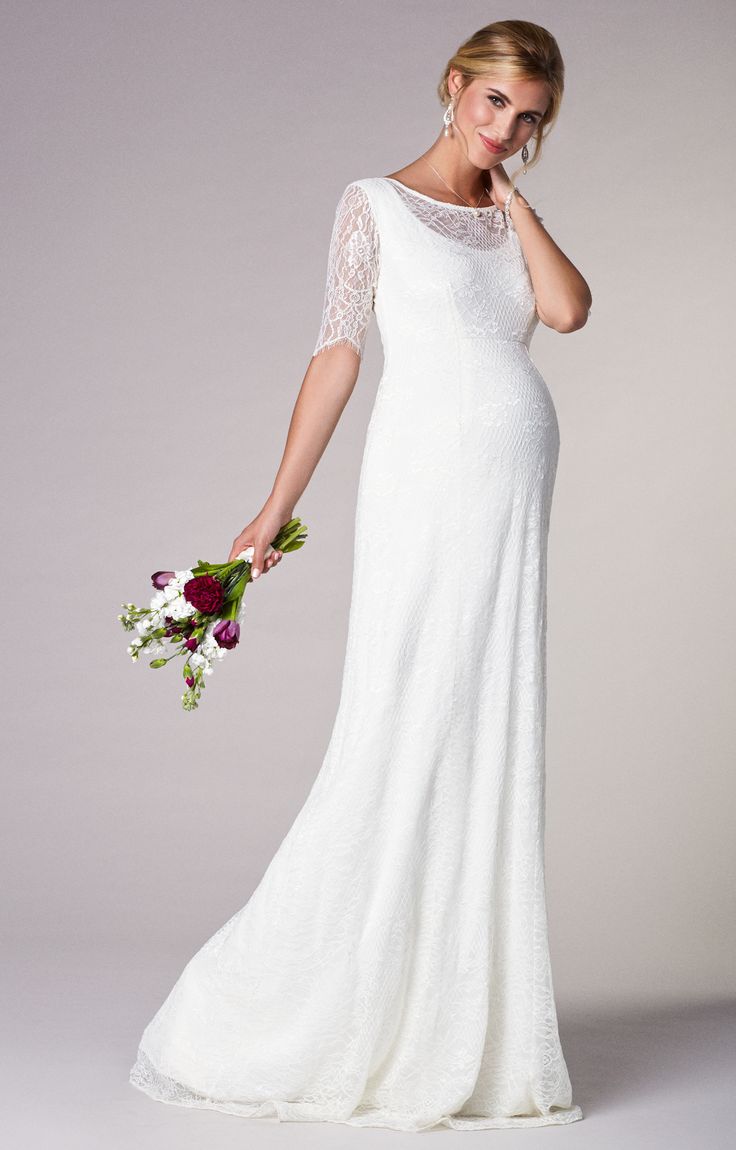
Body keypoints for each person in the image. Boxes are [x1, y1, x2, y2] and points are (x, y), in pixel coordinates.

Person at [129, 19, 590, 1131]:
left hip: (512, 498)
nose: (508, 131)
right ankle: (293, 1006)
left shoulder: (505, 215)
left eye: (529, 119)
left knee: (484, 733)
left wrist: (513, 201)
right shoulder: (372, 205)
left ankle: (457, 1018)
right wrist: (273, 506)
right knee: (404, 723)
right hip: (424, 489)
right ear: (452, 88)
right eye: (494, 107)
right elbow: (338, 354)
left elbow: (567, 311)